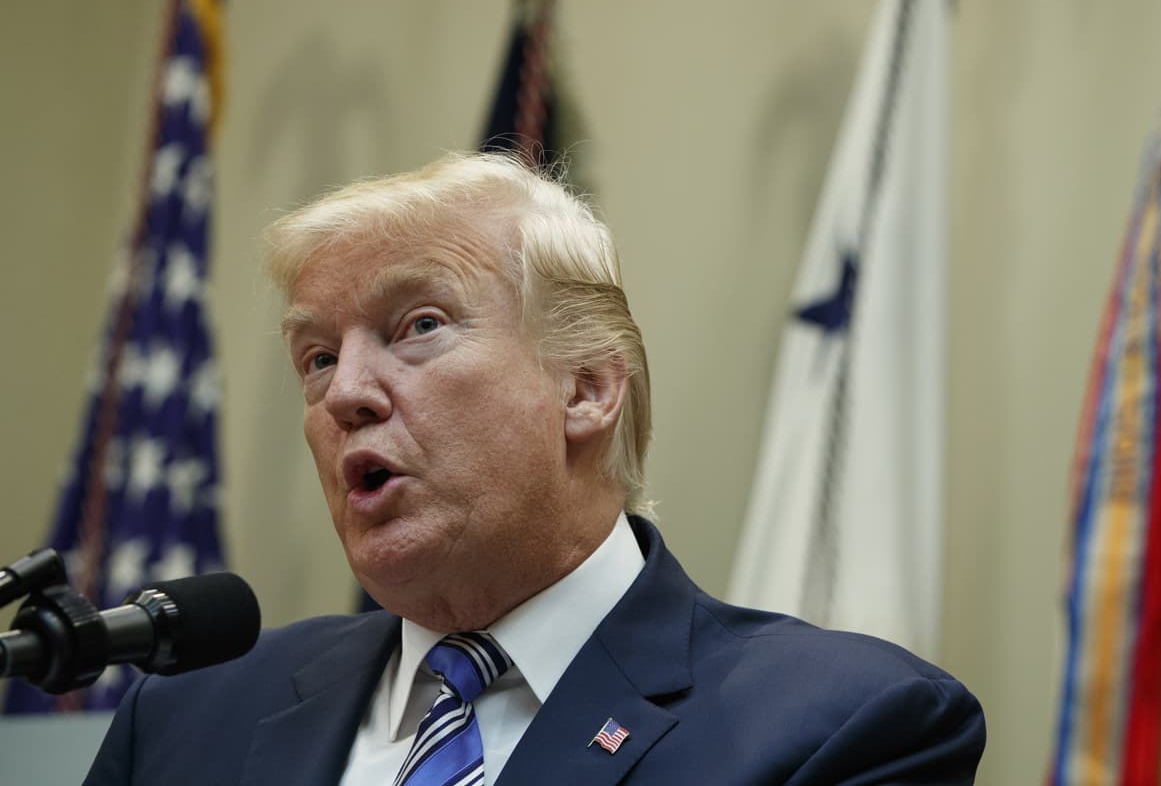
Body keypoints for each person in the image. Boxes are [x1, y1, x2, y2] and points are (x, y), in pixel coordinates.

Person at [84, 152, 985, 785]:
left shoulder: (842, 727)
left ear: (586, 390)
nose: (344, 393)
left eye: (419, 326)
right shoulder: (185, 717)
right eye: (317, 356)